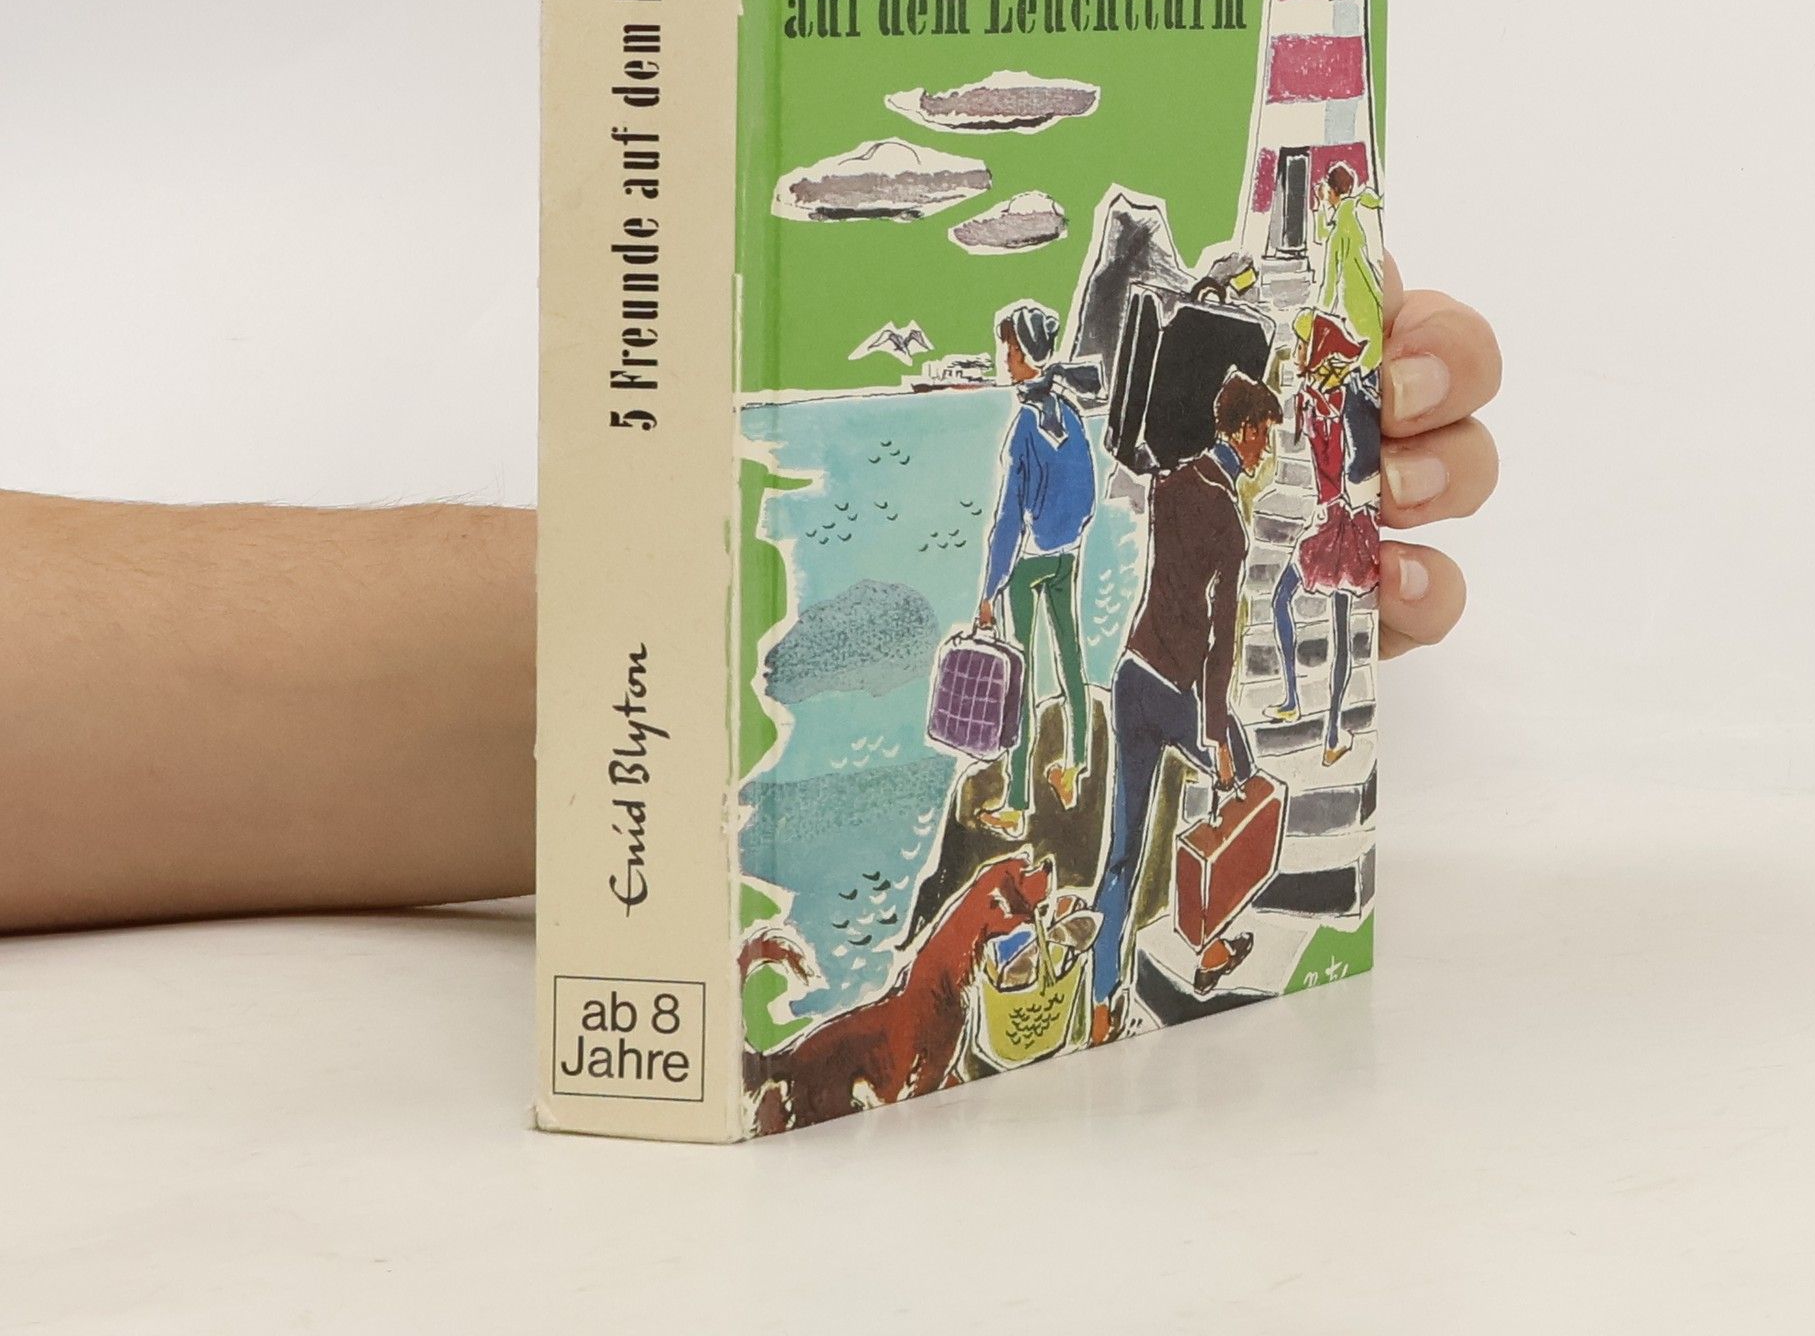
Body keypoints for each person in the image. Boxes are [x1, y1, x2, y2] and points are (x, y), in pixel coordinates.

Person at [0, 258, 1498, 934]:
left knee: (1064, 683)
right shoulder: (1070, 442)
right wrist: (982, 595)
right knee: (1055, 683)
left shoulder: (1098, 444)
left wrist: (647, 652)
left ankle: (1040, 767)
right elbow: (1012, 522)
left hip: (1052, 587)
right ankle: (1038, 784)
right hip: (1042, 580)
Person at [1088, 371, 1282, 1036]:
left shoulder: (1169, 486)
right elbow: (1221, 641)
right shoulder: (1228, 520)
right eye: (1262, 435)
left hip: (1131, 677)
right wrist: (1217, 732)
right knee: (1242, 788)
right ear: (1242, 431)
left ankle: (1101, 1000)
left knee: (1123, 850)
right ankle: (1209, 946)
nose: (1264, 449)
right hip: (1178, 694)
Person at [974, 302, 1100, 834]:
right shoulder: (1069, 414)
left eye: (1011, 349)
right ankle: (1075, 766)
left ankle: (1018, 803)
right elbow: (1087, 492)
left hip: (1026, 565)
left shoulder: (1026, 424)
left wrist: (989, 589)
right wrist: (1065, 535)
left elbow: (1007, 519)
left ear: (1027, 353)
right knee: (1070, 656)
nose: (1005, 358)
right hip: (1065, 553)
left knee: (1019, 679)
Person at [1268, 310, 1378, 763]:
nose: (1296, 352)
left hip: (1343, 524)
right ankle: (1302, 707)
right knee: (1293, 606)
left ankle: (1329, 730)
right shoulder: (1314, 400)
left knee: (1337, 628)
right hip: (1331, 521)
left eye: (1302, 346)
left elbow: (1357, 464)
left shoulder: (1341, 403)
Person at [1315, 163, 1386, 371]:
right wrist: (1321, 206)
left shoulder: (1342, 228)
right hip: (1365, 292)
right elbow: (1323, 234)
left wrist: (1319, 316)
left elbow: (1330, 281)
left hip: (1355, 298)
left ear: (1332, 190)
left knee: (1364, 351)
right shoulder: (1350, 215)